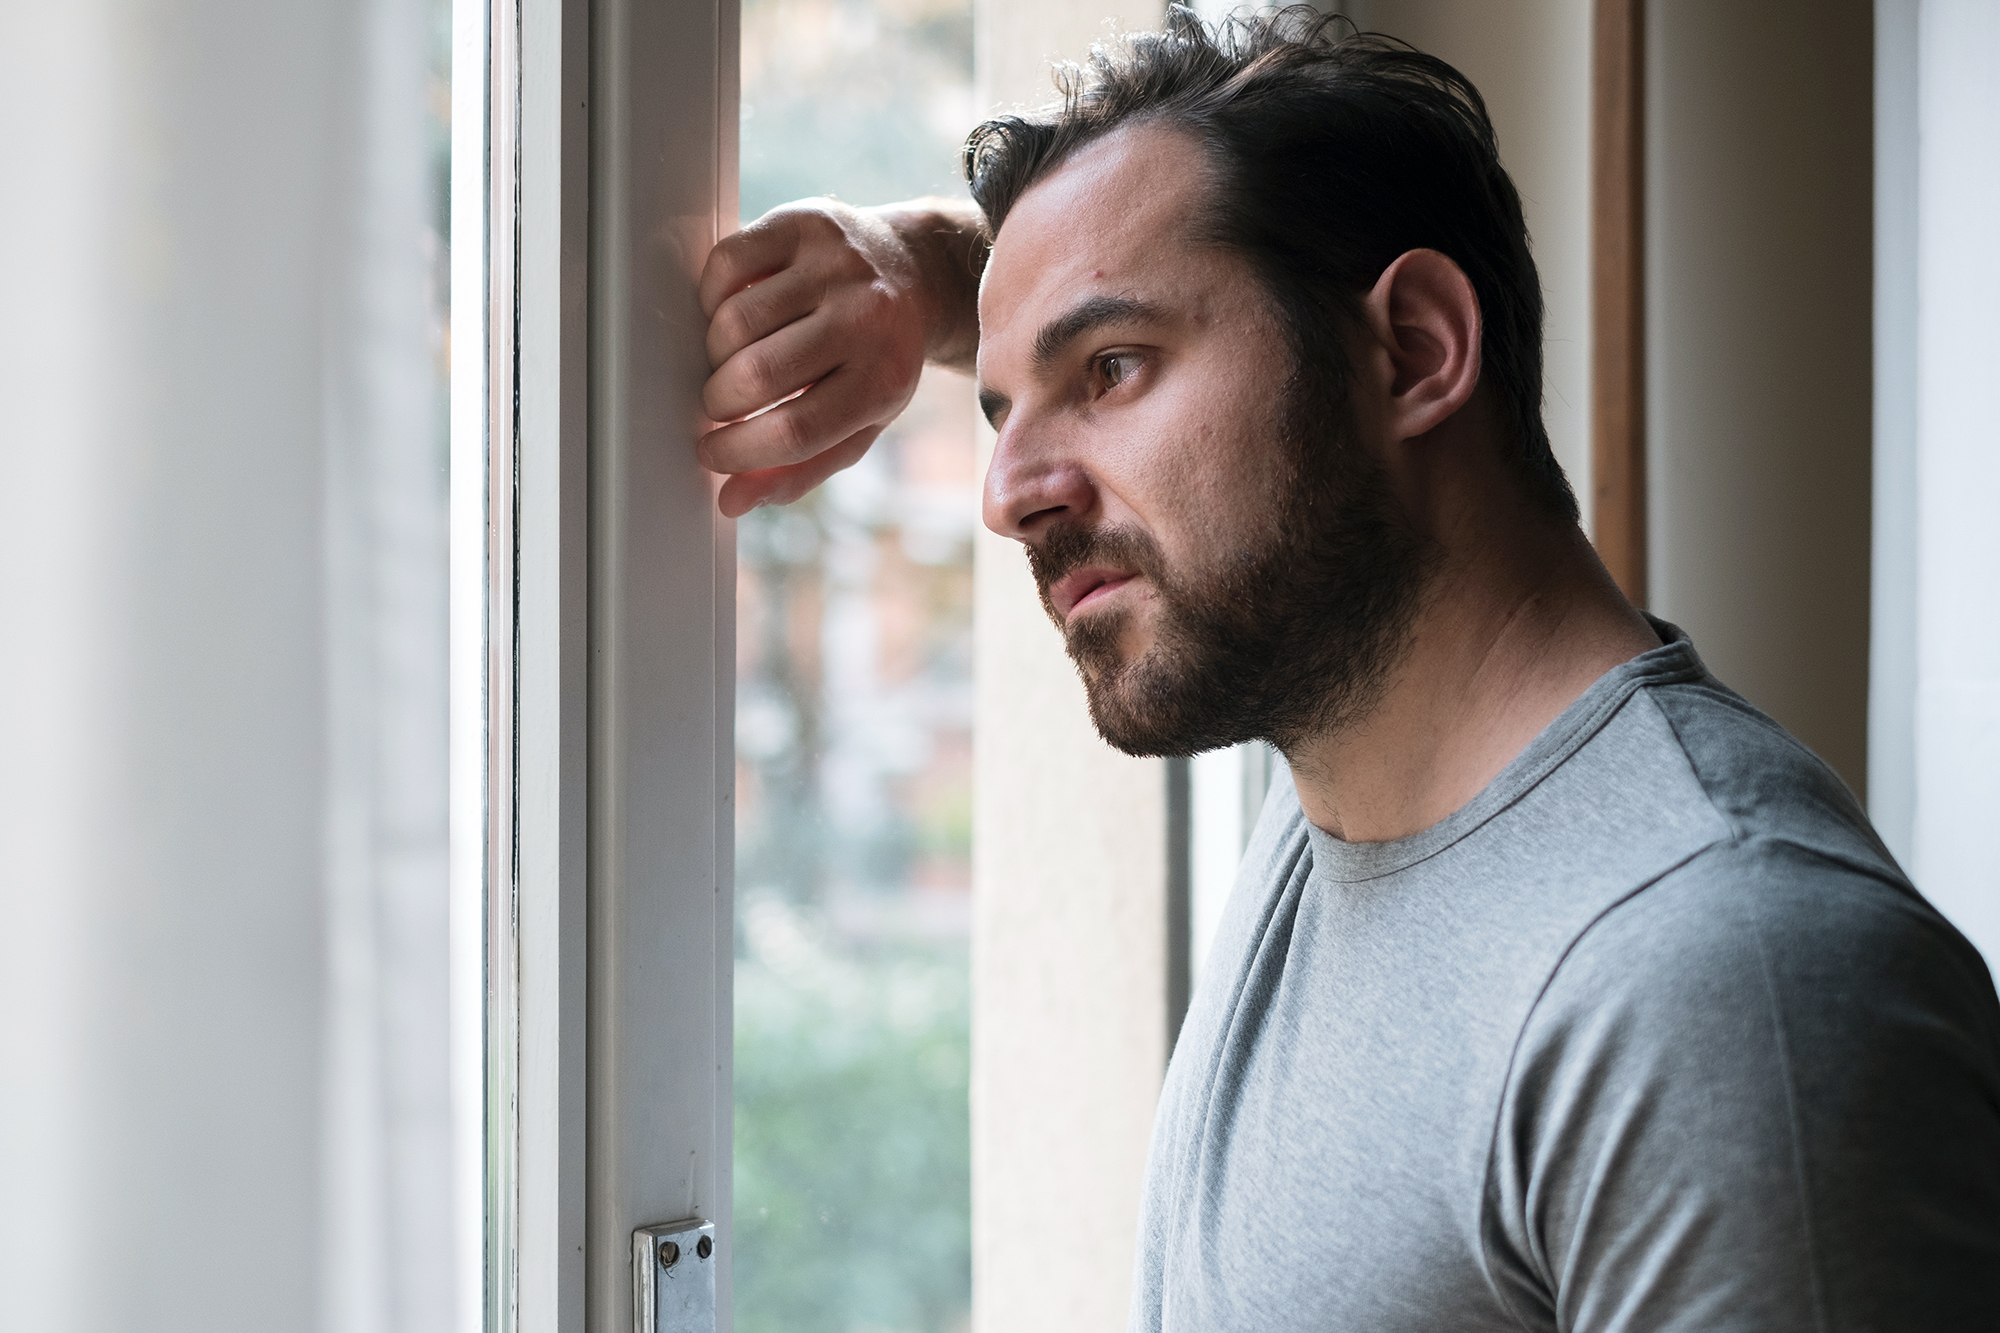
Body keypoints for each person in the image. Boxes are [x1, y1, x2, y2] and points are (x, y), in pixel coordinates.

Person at [699, 8, 2000, 1328]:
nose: (1009, 494)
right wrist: (914, 278)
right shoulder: (1350, 734)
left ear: (1418, 349)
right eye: (1004, 404)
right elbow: (1189, 286)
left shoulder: (1719, 991)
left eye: (1109, 369)